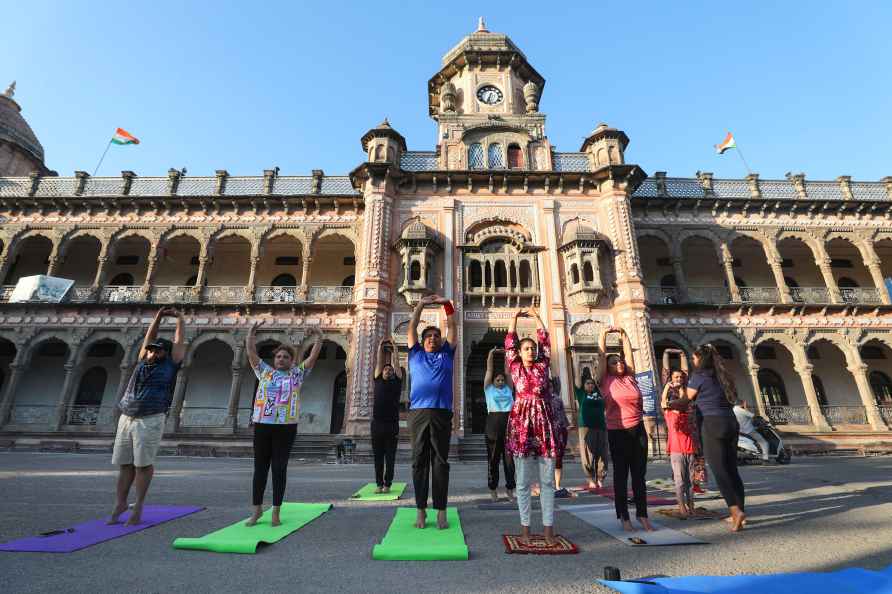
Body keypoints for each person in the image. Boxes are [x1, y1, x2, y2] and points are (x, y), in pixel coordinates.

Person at [109, 308, 185, 525]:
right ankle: (120, 502)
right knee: (125, 464)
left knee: (143, 465)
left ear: (166, 353)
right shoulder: (143, 360)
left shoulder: (171, 365)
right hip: (127, 416)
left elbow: (179, 343)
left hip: (150, 418)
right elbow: (149, 338)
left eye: (158, 351)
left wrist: (179, 319)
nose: (152, 353)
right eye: (151, 350)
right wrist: (158, 317)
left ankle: (139, 506)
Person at [245, 322, 323, 527]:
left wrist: (319, 337)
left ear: (291, 361)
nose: (281, 359)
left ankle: (276, 511)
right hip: (263, 424)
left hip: (286, 427)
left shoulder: (296, 374)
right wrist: (251, 334)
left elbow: (312, 358)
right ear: (274, 359)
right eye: (278, 356)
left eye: (286, 357)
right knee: (260, 468)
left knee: (279, 468)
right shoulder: (264, 372)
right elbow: (252, 353)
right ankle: (256, 510)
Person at [505, 307, 566, 545]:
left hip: (544, 425)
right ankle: (526, 529)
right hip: (521, 425)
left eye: (532, 348)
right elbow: (509, 341)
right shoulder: (516, 367)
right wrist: (515, 318)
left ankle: (549, 529)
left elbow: (546, 339)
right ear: (519, 353)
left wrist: (536, 316)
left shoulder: (543, 366)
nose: (530, 351)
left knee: (548, 480)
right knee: (522, 482)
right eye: (526, 348)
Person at [670, 343, 746, 532]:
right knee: (732, 470)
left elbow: (686, 400)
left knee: (719, 471)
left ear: (701, 359)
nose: (693, 361)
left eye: (694, 358)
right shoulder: (723, 375)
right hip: (731, 422)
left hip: (712, 423)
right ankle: (741, 512)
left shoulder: (699, 376)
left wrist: (670, 403)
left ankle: (735, 511)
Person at [407, 293, 457, 530]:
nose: (433, 338)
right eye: (429, 336)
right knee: (419, 461)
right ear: (422, 340)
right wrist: (421, 304)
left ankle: (441, 511)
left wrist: (446, 303)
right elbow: (412, 326)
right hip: (418, 413)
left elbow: (453, 325)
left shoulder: (447, 354)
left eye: (437, 336)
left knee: (440, 462)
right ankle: (420, 510)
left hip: (441, 413)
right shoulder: (415, 354)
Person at [597, 326, 654, 532]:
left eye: (620, 361)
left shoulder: (630, 376)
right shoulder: (605, 380)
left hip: (637, 430)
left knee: (639, 475)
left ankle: (643, 515)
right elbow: (602, 356)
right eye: (614, 362)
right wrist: (603, 335)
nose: (619, 363)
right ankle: (624, 516)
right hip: (617, 432)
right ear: (607, 367)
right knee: (621, 475)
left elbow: (628, 355)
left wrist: (624, 335)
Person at [661, 369, 697, 517]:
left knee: (690, 481)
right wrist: (668, 387)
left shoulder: (687, 412)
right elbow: (663, 401)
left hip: (690, 449)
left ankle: (691, 506)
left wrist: (681, 386)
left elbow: (685, 398)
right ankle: (682, 507)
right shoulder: (669, 414)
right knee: (679, 481)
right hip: (676, 450)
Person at [483, 347, 515, 502]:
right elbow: (489, 370)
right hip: (493, 428)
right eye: (498, 380)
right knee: (493, 460)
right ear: (493, 382)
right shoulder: (488, 389)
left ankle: (510, 490)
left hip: (509, 427)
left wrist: (506, 356)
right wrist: (491, 354)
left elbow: (508, 372)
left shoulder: (509, 389)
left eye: (502, 380)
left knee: (509, 462)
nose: (501, 382)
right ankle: (493, 489)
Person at [372, 336, 403, 493]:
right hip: (377, 424)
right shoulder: (377, 379)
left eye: (390, 369)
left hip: (392, 425)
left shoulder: (397, 382)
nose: (388, 370)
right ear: (381, 372)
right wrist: (379, 347)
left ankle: (387, 484)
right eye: (386, 369)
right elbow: (378, 362)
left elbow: (397, 364)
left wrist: (395, 348)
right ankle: (378, 483)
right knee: (378, 456)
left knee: (390, 457)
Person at [573, 357, 608, 490]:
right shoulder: (581, 393)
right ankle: (590, 477)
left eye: (591, 383)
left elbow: (599, 380)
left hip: (601, 426)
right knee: (588, 453)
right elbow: (577, 379)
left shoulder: (598, 393)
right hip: (586, 427)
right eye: (587, 383)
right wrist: (576, 364)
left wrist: (597, 367)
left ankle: (600, 476)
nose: (590, 385)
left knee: (603, 453)